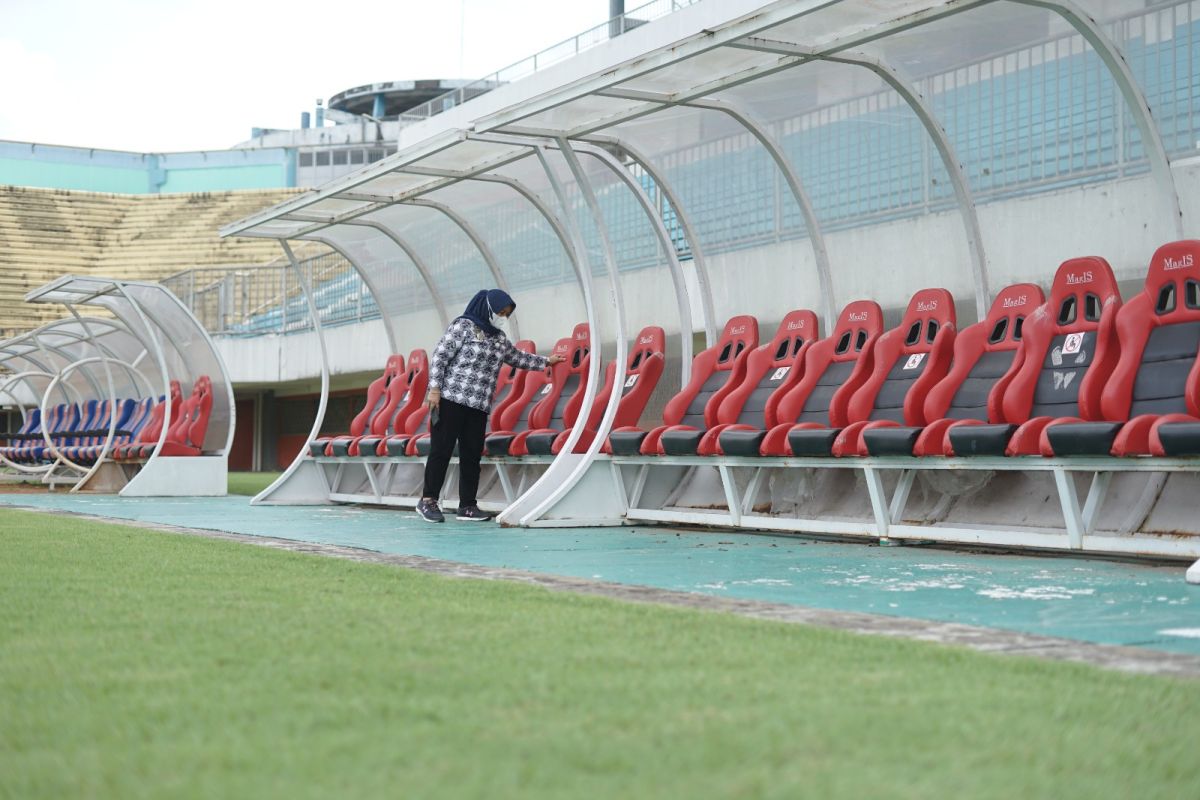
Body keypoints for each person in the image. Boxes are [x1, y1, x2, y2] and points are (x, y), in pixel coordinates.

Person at [416, 289, 565, 523]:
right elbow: (440, 357)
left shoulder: (499, 338)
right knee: (441, 450)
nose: (502, 317)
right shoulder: (462, 326)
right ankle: (428, 500)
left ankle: (467, 506)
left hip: (479, 404)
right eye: (500, 311)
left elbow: (517, 358)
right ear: (487, 307)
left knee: (471, 455)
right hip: (450, 399)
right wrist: (434, 390)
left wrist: (547, 361)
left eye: (506, 314)